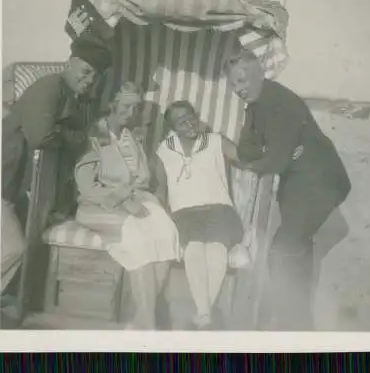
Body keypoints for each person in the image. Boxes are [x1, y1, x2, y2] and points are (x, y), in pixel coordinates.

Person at [223, 48, 352, 331]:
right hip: (299, 183)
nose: (239, 89)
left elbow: (272, 161)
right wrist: (264, 152)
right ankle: (299, 324)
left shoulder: (280, 101)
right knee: (295, 250)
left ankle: (290, 326)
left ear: (259, 73)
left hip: (317, 182)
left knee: (281, 253)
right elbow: (249, 149)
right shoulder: (257, 105)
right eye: (233, 84)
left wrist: (258, 158)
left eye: (243, 81)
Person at [1, 39, 110, 305]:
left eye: (94, 77)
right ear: (68, 63)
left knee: (20, 247)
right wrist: (78, 137)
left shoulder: (72, 96)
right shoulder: (50, 86)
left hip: (16, 186)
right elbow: (41, 136)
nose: (88, 80)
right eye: (85, 71)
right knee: (15, 248)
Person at [74, 82, 180, 330]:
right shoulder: (95, 136)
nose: (131, 113)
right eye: (125, 106)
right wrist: (122, 200)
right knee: (138, 238)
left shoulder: (131, 136)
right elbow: (86, 186)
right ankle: (148, 322)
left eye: (136, 107)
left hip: (137, 199)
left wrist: (142, 198)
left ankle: (141, 319)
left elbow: (141, 177)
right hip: (100, 205)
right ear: (111, 105)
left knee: (167, 233)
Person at [154, 100, 246, 330]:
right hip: (184, 213)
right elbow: (160, 189)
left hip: (220, 210)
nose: (188, 123)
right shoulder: (164, 149)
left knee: (216, 247)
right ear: (173, 127)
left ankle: (203, 315)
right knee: (194, 247)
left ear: (197, 115)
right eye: (180, 121)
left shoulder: (215, 140)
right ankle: (205, 315)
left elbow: (244, 157)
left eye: (190, 116)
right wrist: (162, 218)